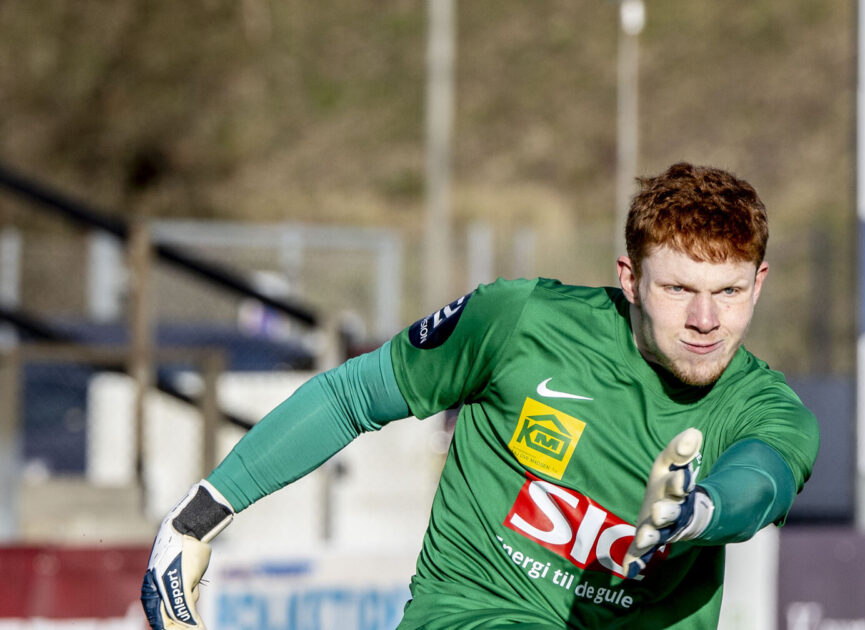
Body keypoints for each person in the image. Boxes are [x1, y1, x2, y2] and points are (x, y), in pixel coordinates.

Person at [141, 162, 820, 629]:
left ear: (758, 284)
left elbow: (759, 480)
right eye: (678, 290)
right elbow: (354, 396)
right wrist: (198, 517)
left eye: (729, 292)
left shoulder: (768, 409)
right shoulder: (519, 321)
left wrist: (697, 512)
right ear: (630, 278)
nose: (705, 319)